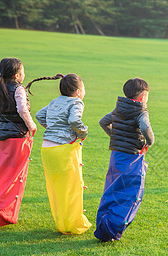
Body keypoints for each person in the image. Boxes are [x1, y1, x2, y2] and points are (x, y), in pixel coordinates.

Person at [28, 73, 92, 234]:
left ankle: (62, 223)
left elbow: (39, 115)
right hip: (62, 149)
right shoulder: (77, 102)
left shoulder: (54, 102)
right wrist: (82, 133)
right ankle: (72, 225)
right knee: (71, 188)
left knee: (56, 189)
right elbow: (74, 121)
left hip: (47, 149)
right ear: (78, 91)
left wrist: (52, 129)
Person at [94, 77, 154, 242]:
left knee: (111, 190)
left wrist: (115, 137)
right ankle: (111, 230)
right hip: (131, 158)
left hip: (116, 156)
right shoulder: (141, 111)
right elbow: (145, 126)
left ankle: (102, 226)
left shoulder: (118, 109)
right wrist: (149, 142)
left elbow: (103, 122)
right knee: (129, 194)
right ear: (142, 96)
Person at [0, 57, 37, 226]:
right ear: (18, 74)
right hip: (18, 139)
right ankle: (3, 213)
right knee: (14, 177)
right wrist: (31, 125)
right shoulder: (19, 89)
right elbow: (22, 109)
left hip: (1, 139)